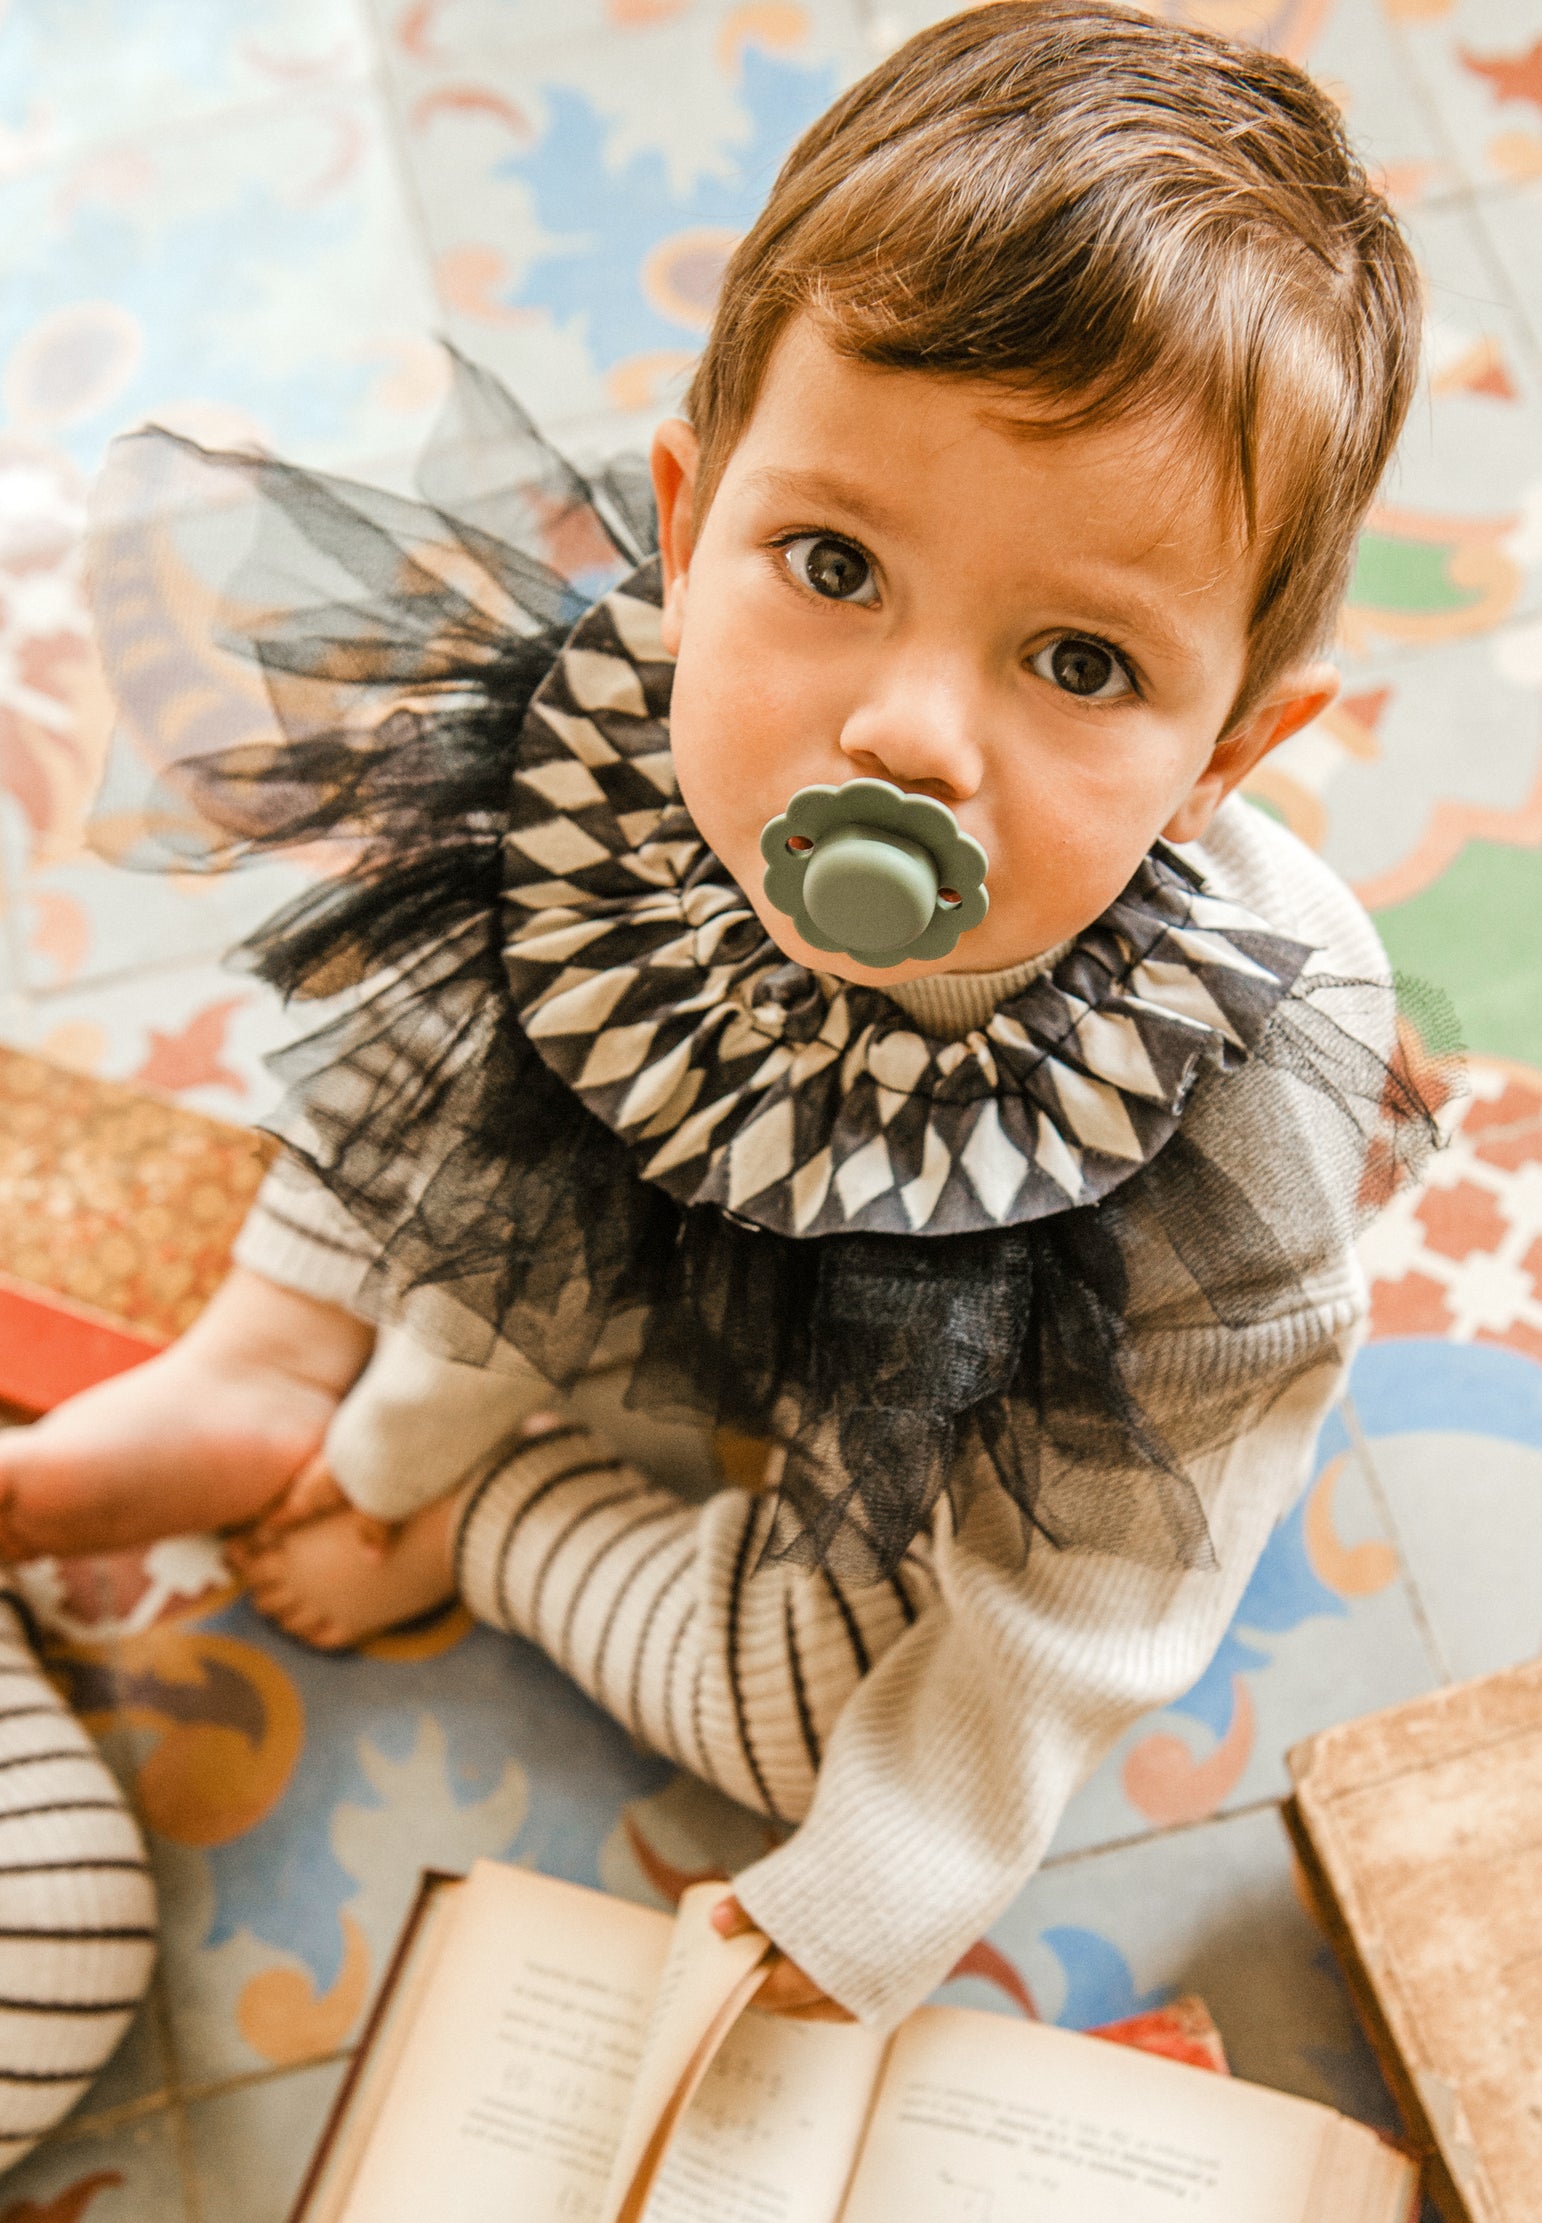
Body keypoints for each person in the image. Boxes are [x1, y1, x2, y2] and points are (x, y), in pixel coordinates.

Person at [0, 1, 1446, 2037]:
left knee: (806, 1730)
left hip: (934, 1352)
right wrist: (396, 1415)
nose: (906, 730)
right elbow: (509, 1163)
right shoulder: (626, 767)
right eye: (832, 562)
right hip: (621, 1161)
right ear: (688, 529)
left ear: (1226, 752)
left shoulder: (1221, 1105)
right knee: (441, 1046)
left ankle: (500, 1528)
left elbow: (1106, 1577)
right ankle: (269, 1349)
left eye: (1080, 663)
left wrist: (890, 1871)